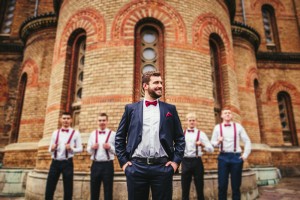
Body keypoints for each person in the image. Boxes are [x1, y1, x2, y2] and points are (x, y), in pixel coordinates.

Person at [115, 71, 185, 200]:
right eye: (156, 82)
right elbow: (119, 137)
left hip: (162, 168)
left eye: (161, 83)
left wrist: (175, 163)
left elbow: (180, 138)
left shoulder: (170, 109)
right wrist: (124, 163)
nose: (160, 86)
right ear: (145, 86)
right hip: (136, 168)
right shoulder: (131, 109)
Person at [211, 108, 251, 200]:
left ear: (232, 116)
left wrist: (244, 155)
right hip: (223, 157)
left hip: (236, 157)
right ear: (221, 116)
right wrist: (218, 141)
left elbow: (247, 141)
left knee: (236, 186)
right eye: (225, 113)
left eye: (229, 113)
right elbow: (212, 143)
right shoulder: (217, 128)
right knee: (222, 185)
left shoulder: (238, 127)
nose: (228, 114)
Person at [45, 112, 83, 200]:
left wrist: (71, 149)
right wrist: (52, 148)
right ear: (60, 120)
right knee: (50, 186)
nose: (66, 120)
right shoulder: (55, 133)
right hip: (55, 162)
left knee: (68, 187)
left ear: (71, 120)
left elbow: (80, 149)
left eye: (68, 118)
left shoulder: (75, 133)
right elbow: (50, 149)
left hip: (67, 162)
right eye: (64, 118)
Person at [181, 112, 214, 200]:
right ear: (186, 122)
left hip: (197, 162)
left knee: (199, 187)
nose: (192, 122)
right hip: (185, 161)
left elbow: (211, 149)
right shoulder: (182, 133)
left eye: (193, 120)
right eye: (190, 120)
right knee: (185, 188)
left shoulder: (201, 134)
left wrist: (202, 145)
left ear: (196, 122)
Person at [87, 113, 116, 200]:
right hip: (95, 165)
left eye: (103, 120)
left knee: (108, 190)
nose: (102, 122)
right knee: (94, 190)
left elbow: (118, 151)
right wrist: (92, 148)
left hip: (108, 165)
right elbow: (88, 150)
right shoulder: (93, 134)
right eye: (100, 120)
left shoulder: (113, 134)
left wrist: (110, 147)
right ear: (97, 122)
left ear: (107, 121)